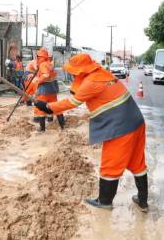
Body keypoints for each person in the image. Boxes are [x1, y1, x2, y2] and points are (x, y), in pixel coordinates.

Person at [34, 53, 148, 211]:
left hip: (120, 127)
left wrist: (48, 107)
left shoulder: (91, 82)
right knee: (137, 161)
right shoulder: (102, 73)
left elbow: (73, 102)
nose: (72, 75)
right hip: (136, 121)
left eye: (74, 72)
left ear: (81, 70)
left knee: (110, 164)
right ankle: (143, 201)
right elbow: (78, 89)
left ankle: (105, 201)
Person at [34, 48, 65, 131]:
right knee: (56, 107)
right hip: (53, 90)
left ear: (40, 57)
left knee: (41, 109)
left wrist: (38, 82)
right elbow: (53, 76)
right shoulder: (50, 64)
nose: (37, 58)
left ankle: (42, 129)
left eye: (38, 57)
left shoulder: (42, 64)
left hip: (44, 90)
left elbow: (46, 75)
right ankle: (62, 126)